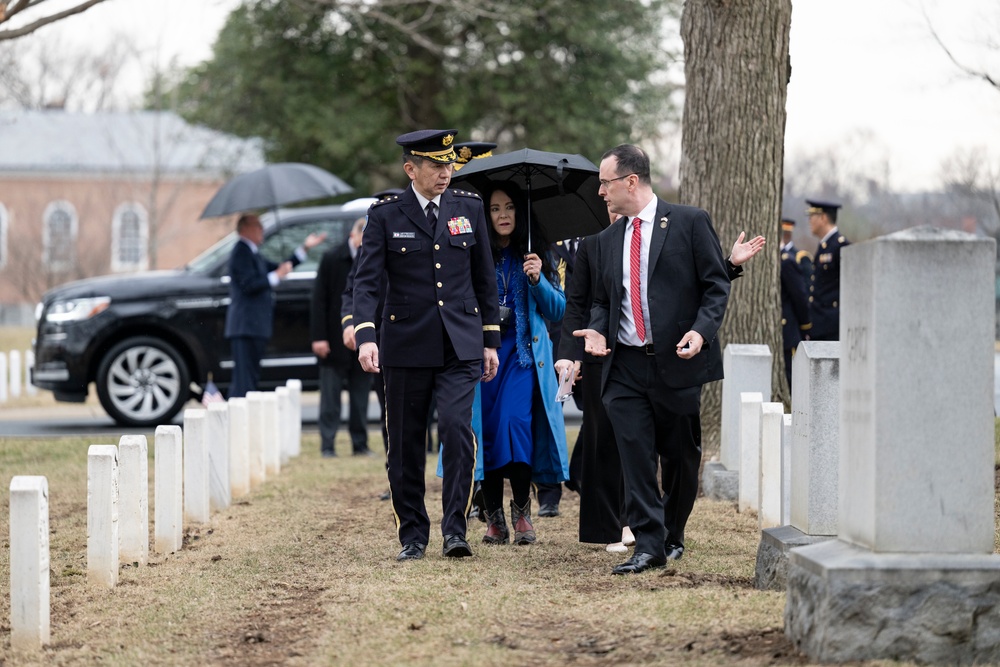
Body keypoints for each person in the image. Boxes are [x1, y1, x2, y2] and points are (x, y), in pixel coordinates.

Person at [556, 220, 764, 553]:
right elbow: (579, 303)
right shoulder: (595, 244)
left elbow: (687, 288)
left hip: (668, 359)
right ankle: (625, 526)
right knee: (620, 448)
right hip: (611, 360)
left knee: (674, 453)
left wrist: (729, 266)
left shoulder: (666, 233)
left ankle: (667, 529)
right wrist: (571, 355)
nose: (608, 204)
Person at [575, 144, 731, 575]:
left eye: (605, 183)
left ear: (630, 181)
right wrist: (596, 328)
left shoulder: (689, 222)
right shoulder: (606, 240)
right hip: (623, 365)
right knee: (634, 453)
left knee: (680, 455)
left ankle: (672, 532)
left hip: (677, 360)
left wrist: (700, 331)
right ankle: (647, 544)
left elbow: (716, 285)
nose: (600, 192)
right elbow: (603, 301)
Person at [351, 129, 501, 562]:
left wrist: (489, 341)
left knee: (457, 430)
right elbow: (366, 282)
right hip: (405, 344)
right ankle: (412, 535)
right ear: (410, 169)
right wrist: (365, 335)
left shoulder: (468, 207)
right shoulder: (385, 215)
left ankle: (456, 530)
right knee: (404, 441)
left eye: (449, 163)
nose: (445, 172)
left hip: (461, 344)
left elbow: (483, 279)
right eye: (435, 165)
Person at [477, 183, 569, 546]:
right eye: (495, 208)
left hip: (521, 355)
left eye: (510, 207)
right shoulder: (474, 253)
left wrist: (538, 278)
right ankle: (493, 517)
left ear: (520, 212)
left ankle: (521, 510)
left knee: (514, 424)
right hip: (484, 352)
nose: (502, 215)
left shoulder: (536, 254)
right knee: (485, 433)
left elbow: (558, 310)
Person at [225, 212, 325, 398]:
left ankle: (246, 412)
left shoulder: (253, 253)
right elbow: (249, 284)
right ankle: (239, 415)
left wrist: (303, 249)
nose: (262, 230)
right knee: (244, 378)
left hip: (255, 326)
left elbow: (278, 267)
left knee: (252, 375)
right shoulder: (240, 251)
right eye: (258, 226)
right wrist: (275, 276)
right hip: (245, 326)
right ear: (245, 228)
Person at [311, 218, 373, 458]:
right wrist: (319, 338)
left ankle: (360, 443)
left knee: (360, 397)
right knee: (330, 398)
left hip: (362, 340)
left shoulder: (371, 257)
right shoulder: (331, 258)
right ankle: (328, 445)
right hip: (333, 339)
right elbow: (318, 300)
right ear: (354, 236)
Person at [535, 235, 584, 518]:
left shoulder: (593, 241)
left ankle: (577, 473)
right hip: (550, 346)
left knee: (597, 415)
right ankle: (549, 493)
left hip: (585, 346)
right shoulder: (543, 245)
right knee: (548, 420)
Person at [805, 199, 849, 341]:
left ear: (823, 218)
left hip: (833, 324)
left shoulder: (840, 246)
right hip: (820, 323)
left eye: (813, 216)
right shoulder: (824, 246)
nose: (810, 220)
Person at [779, 218, 811, 389]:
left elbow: (801, 296)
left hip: (789, 327)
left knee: (792, 377)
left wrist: (806, 326)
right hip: (782, 328)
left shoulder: (791, 259)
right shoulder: (783, 258)